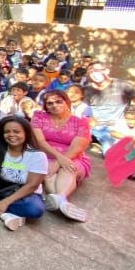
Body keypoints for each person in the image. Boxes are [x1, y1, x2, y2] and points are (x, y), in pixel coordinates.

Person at [0, 116, 47, 231]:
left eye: (16, 131)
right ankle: (4, 213)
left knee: (35, 209)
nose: (11, 135)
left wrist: (6, 202)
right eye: (6, 132)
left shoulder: (37, 156)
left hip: (23, 191)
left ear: (26, 133)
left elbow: (32, 185)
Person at [31, 90, 90, 222]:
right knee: (45, 169)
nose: (54, 105)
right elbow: (40, 141)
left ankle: (59, 198)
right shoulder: (39, 116)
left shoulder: (80, 122)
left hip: (72, 156)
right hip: (45, 153)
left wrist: (59, 162)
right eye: (50, 103)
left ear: (66, 102)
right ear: (46, 106)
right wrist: (58, 158)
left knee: (68, 168)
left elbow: (77, 147)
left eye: (59, 101)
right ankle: (62, 201)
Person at [84, 62, 135, 153]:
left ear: (107, 71)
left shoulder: (123, 85)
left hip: (115, 128)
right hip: (95, 127)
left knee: (114, 154)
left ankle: (101, 144)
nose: (94, 74)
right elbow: (84, 109)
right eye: (91, 71)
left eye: (97, 70)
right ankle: (95, 141)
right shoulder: (87, 89)